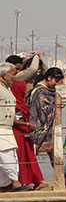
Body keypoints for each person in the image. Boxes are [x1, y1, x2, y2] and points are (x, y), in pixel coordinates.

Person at [29, 68, 64, 158]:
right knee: (33, 156)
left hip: (49, 128)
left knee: (55, 157)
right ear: (49, 78)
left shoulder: (50, 91)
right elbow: (42, 111)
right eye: (56, 80)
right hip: (39, 128)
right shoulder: (40, 92)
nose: (56, 83)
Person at [0, 63, 22, 191]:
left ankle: (4, 184)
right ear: (3, 76)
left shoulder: (7, 88)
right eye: (12, 75)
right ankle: (15, 182)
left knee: (10, 154)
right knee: (6, 154)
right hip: (1, 127)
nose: (14, 78)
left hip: (7, 127)